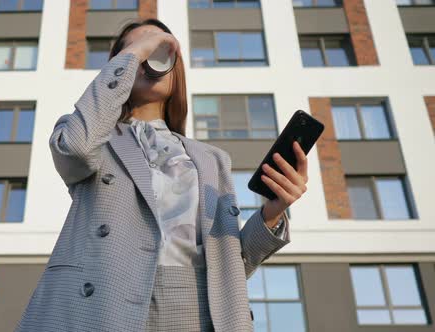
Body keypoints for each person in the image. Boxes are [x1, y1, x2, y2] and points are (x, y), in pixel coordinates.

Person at [15, 18, 309, 332]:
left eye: (160, 48)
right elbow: (74, 148)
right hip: (107, 306)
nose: (149, 57)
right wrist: (133, 53)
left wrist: (272, 215)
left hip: (200, 313)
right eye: (140, 50)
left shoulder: (212, 159)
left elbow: (230, 266)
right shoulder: (93, 134)